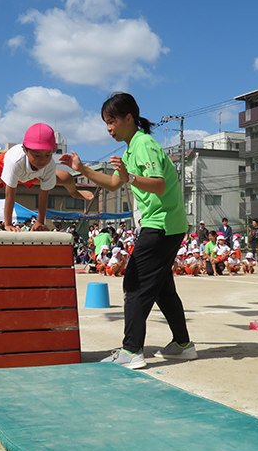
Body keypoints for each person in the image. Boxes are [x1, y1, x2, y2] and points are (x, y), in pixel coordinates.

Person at [60, 92, 195, 369]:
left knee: (133, 284)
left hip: (161, 225)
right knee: (161, 288)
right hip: (167, 225)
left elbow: (157, 184)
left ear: (129, 118)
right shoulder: (131, 148)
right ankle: (183, 344)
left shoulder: (143, 144)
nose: (108, 128)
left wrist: (130, 177)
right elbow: (112, 184)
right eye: (106, 123)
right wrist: (82, 168)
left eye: (111, 121)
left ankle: (132, 350)